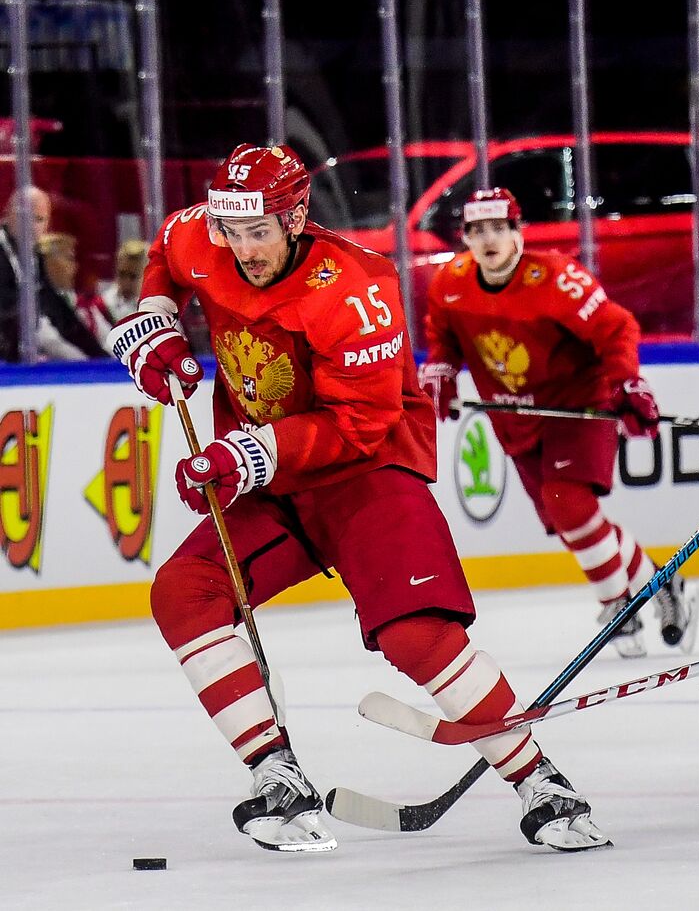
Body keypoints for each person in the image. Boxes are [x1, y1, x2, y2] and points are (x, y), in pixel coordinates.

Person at [103, 144, 610, 854]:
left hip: (368, 471)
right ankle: (277, 775)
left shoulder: (355, 289)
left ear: (297, 216)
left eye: (259, 232)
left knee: (415, 638)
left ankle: (540, 781)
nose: (243, 249)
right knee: (184, 591)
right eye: (231, 231)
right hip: (274, 478)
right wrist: (154, 315)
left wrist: (251, 452)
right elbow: (167, 246)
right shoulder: (206, 235)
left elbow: (362, 425)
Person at [419, 187, 697, 659]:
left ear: (517, 232)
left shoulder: (556, 280)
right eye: (477, 230)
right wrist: (441, 366)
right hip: (516, 419)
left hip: (577, 406)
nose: (489, 239)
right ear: (465, 237)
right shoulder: (450, 283)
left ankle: (617, 608)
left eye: (498, 227)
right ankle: (664, 585)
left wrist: (627, 383)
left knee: (568, 504)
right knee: (571, 524)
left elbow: (617, 328)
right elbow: (442, 336)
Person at [0, 186, 107, 362]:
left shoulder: (34, 258)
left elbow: (57, 311)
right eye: (25, 217)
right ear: (7, 213)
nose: (31, 226)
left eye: (39, 219)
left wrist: (99, 357)